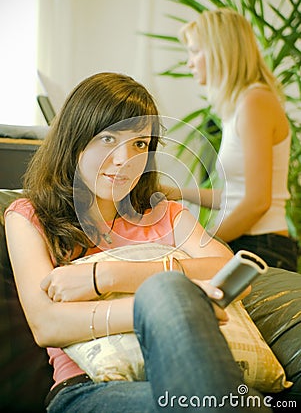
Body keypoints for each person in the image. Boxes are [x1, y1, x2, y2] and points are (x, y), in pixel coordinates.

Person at [5, 72, 271, 412]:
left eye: (140, 145)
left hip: (184, 370)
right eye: (108, 139)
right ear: (75, 138)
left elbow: (228, 271)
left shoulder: (163, 213)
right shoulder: (29, 215)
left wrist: (106, 276)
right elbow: (47, 325)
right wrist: (170, 306)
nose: (124, 160)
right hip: (89, 389)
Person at [164, 8, 298, 272]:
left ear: (219, 51)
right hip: (251, 243)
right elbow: (236, 196)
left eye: (194, 51)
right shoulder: (239, 105)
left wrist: (202, 243)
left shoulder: (255, 102)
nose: (189, 62)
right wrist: (176, 193)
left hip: (263, 248)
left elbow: (258, 203)